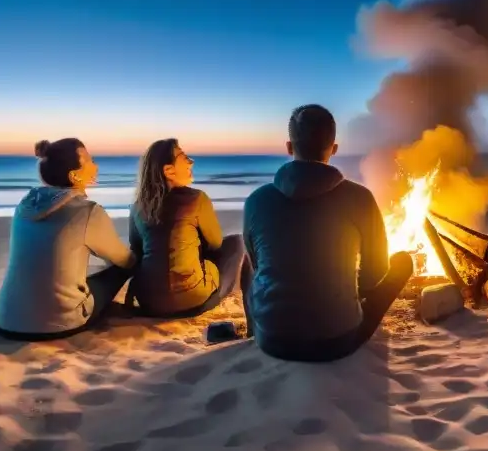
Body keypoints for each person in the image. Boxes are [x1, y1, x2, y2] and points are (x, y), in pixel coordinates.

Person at [243, 104, 414, 362]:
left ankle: (251, 328)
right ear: (334, 149)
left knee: (247, 262)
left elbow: (257, 267)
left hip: (271, 339)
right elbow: (375, 274)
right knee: (403, 263)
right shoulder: (360, 198)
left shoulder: (256, 200)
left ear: (289, 147)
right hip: (336, 341)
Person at [0, 139, 136, 340]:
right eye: (89, 160)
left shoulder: (24, 207)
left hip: (6, 320)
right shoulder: (88, 212)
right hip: (57, 324)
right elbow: (123, 260)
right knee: (122, 269)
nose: (96, 166)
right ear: (74, 175)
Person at [128, 139, 247, 318]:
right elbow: (215, 243)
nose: (191, 162)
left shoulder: (138, 207)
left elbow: (136, 251)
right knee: (236, 242)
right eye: (184, 157)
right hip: (192, 299)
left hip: (149, 302)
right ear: (169, 171)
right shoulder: (196, 199)